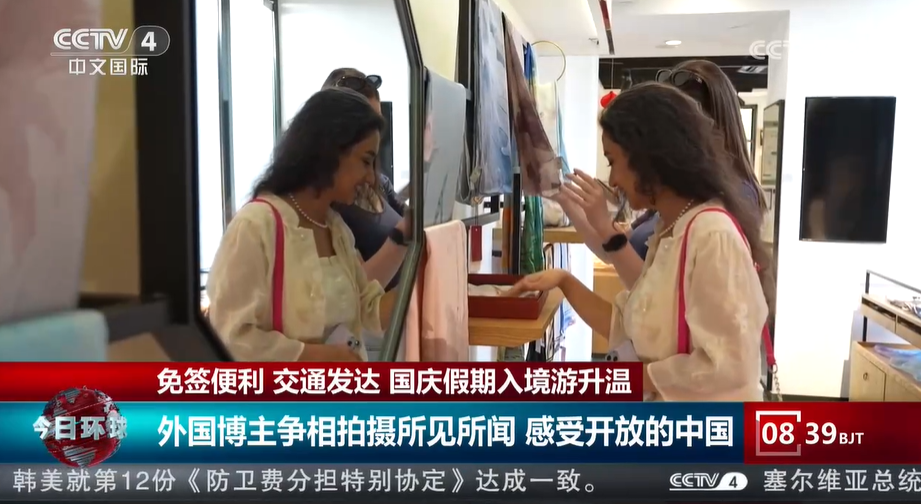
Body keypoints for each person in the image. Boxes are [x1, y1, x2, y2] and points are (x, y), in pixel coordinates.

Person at [507, 83, 774, 401]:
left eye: (612, 161)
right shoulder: (669, 230)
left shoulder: (712, 235)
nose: (612, 180)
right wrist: (564, 281)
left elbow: (727, 370)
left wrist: (617, 379)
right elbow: (626, 325)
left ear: (647, 156)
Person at [207, 88, 410, 361]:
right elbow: (229, 338)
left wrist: (422, 278)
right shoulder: (255, 227)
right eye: (366, 161)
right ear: (329, 151)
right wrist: (321, 357)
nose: (371, 178)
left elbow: (369, 309)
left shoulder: (336, 230)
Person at [557, 59, 765, 290]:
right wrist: (565, 199)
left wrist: (605, 229)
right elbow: (617, 256)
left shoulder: (717, 220)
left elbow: (655, 294)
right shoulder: (675, 203)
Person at [322, 68, 409, 292]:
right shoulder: (326, 209)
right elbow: (358, 294)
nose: (375, 136)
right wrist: (401, 237)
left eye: (378, 123)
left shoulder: (379, 183)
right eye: (367, 126)